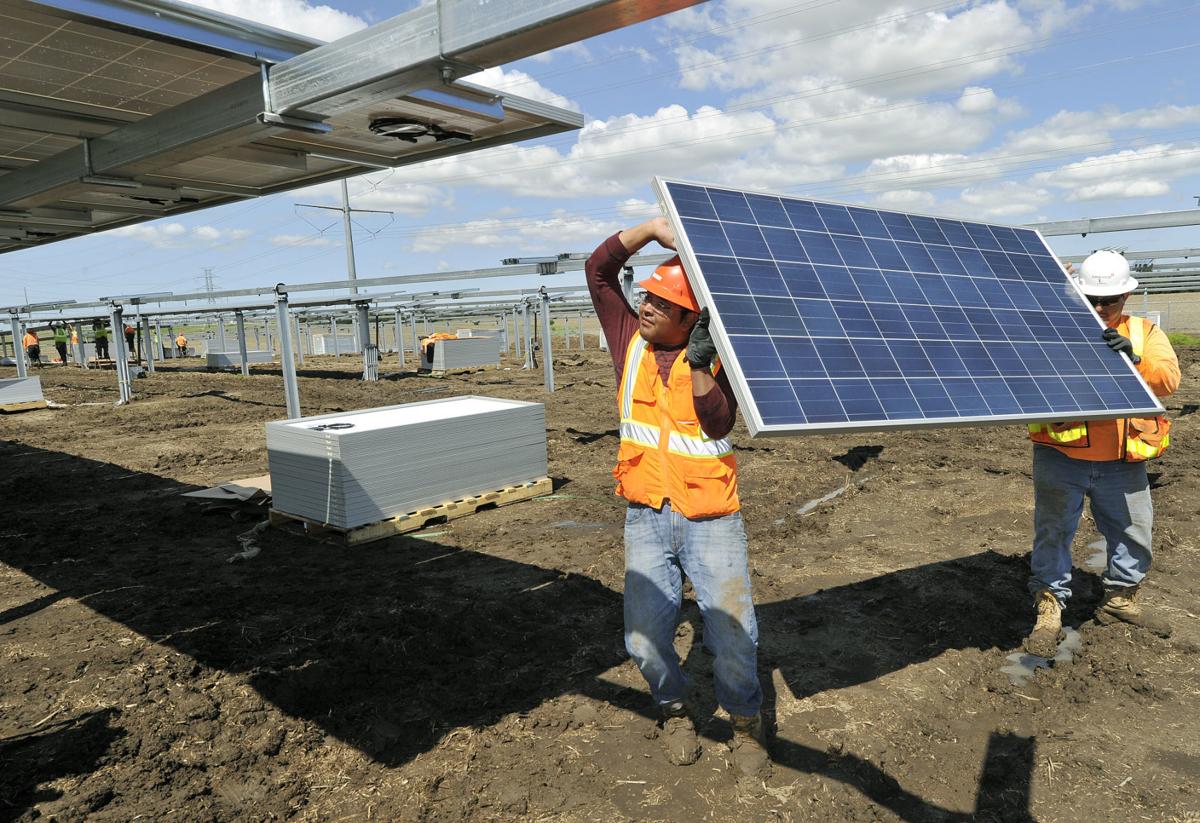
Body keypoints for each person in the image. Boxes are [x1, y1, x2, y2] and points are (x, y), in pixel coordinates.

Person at [586, 216, 769, 779]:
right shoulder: (629, 342)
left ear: (691, 320)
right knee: (643, 637)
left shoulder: (718, 359)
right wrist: (649, 230)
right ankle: (673, 711)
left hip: (711, 518)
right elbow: (598, 272)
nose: (645, 307)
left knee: (733, 635)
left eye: (662, 304)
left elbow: (717, 425)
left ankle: (745, 724)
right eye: (646, 297)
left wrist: (698, 367)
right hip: (645, 513)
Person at [1024, 250, 1180, 657]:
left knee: (1133, 531)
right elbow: (1022, 354)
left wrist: (1134, 359)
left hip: (1123, 462)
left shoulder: (1145, 332)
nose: (1098, 308)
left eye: (1107, 301)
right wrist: (1043, 291)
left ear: (1126, 297)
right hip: (1062, 455)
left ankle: (1121, 599)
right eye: (1090, 299)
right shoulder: (1055, 329)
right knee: (1053, 532)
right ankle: (1049, 606)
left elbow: (1168, 380)